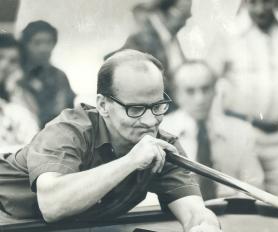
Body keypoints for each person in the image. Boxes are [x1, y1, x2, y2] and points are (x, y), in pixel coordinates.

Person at [0, 49, 221, 231]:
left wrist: (203, 226)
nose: (150, 121)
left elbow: (195, 213)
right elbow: (52, 204)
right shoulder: (68, 131)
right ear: (104, 105)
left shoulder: (162, 146)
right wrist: (130, 162)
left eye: (157, 106)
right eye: (135, 109)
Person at [206, 0, 278, 199]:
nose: (260, 9)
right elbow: (208, 83)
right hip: (242, 133)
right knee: (244, 203)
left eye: (266, 1)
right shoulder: (228, 33)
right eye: (253, 2)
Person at [160, 61, 264, 199]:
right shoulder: (162, 131)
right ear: (177, 94)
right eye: (190, 91)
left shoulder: (240, 131)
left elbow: (254, 186)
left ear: (215, 90)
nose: (200, 99)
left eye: (205, 89)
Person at [106, 0, 191, 112]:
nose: (189, 16)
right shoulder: (139, 43)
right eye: (184, 12)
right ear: (164, 13)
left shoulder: (171, 39)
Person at [19, 20, 75, 128]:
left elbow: (69, 112)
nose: (44, 49)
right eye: (37, 43)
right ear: (25, 45)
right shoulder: (18, 76)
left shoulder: (60, 76)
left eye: (49, 42)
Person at [0, 33, 39, 153]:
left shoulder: (19, 95)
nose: (4, 65)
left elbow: (33, 139)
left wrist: (14, 89)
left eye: (13, 61)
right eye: (0, 57)